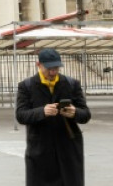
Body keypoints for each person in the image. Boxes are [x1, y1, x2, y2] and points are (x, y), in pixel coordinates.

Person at [16, 48, 91, 186]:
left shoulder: (71, 84)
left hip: (68, 147)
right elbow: (21, 115)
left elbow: (85, 114)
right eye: (49, 68)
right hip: (40, 148)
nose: (53, 72)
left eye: (56, 68)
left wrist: (75, 113)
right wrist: (41, 112)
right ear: (38, 65)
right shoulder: (26, 86)